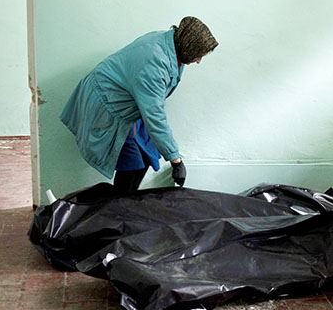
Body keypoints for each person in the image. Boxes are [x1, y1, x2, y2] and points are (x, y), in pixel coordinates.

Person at [60, 16, 217, 193]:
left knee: (148, 154)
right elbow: (155, 115)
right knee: (132, 163)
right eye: (198, 56)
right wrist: (175, 160)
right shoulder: (154, 62)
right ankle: (119, 208)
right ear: (188, 46)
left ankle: (125, 203)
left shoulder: (171, 44)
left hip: (131, 102)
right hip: (108, 103)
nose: (198, 61)